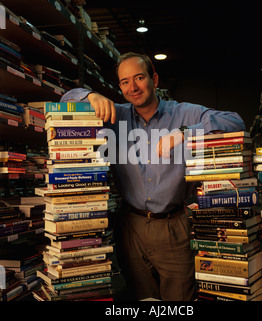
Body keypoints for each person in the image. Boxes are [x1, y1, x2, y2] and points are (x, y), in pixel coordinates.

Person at [60, 52, 246, 301]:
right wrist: (89, 95)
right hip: (130, 227)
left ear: (154, 79)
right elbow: (65, 100)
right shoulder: (116, 116)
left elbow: (235, 121)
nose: (133, 87)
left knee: (178, 299)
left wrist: (185, 133)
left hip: (174, 225)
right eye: (125, 82)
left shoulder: (184, 113)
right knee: (141, 297)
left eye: (139, 78)